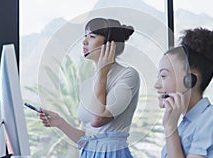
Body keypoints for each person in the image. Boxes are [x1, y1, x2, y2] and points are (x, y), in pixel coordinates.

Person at [38, 17, 140, 158]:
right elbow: (87, 139)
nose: (84, 42)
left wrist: (102, 72)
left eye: (91, 36)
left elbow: (98, 119)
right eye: (85, 36)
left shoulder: (128, 75)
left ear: (109, 44)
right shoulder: (90, 83)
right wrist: (60, 122)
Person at [154, 28, 213, 157]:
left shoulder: (212, 120)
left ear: (190, 79)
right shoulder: (185, 125)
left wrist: (170, 128)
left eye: (164, 76)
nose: (157, 85)